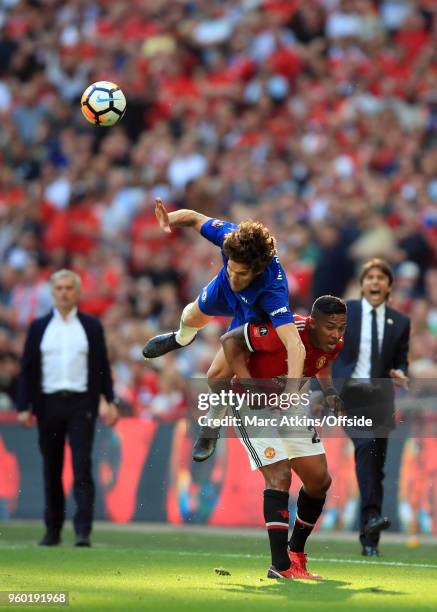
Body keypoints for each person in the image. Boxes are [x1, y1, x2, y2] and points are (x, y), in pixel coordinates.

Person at [143, 197, 306, 453]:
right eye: (232, 268)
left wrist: (292, 389)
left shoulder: (273, 289)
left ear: (257, 270)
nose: (235, 276)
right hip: (221, 292)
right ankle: (182, 338)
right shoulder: (231, 239)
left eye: (242, 274)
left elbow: (295, 344)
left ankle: (212, 423)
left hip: (251, 316)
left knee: (215, 377)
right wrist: (169, 219)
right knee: (188, 317)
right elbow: (195, 217)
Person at [219, 295, 347, 579]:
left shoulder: (334, 343)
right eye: (330, 327)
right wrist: (249, 384)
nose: (336, 334)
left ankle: (296, 555)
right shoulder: (283, 330)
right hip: (251, 402)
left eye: (341, 328)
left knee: (319, 481)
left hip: (290, 402)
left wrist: (329, 391)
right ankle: (280, 565)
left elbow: (322, 362)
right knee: (279, 475)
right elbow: (229, 341)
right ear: (312, 323)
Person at [16, 269, 119, 547]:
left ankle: (83, 531)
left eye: (68, 288)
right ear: (52, 292)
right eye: (59, 288)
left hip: (80, 404)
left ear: (77, 292)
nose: (63, 293)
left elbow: (101, 369)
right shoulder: (39, 327)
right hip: (47, 404)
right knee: (51, 469)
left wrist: (109, 401)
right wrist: (23, 405)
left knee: (82, 467)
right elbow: (27, 370)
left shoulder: (90, 327)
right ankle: (53, 530)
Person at [332, 258, 410, 557]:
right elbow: (326, 344)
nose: (375, 282)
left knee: (376, 468)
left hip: (381, 399)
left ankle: (370, 537)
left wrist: (401, 371)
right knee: (365, 446)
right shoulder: (346, 313)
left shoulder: (400, 322)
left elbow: (401, 359)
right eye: (370, 277)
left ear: (389, 285)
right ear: (362, 283)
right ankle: (372, 519)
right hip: (351, 396)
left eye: (381, 277)